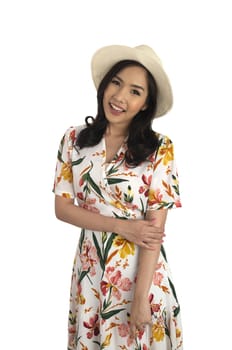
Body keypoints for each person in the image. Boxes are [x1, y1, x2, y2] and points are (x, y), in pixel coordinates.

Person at [53, 44, 183, 350]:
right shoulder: (74, 140)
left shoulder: (160, 148)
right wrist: (122, 226)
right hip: (90, 272)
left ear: (145, 105)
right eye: (116, 83)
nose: (120, 96)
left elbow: (152, 232)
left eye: (135, 91)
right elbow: (62, 209)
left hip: (140, 275)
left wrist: (140, 299)